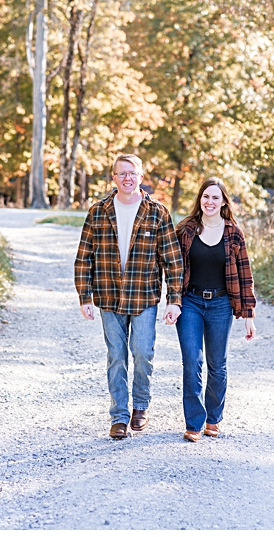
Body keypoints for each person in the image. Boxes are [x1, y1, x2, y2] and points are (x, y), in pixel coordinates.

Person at [73, 153, 185, 440]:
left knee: (143, 352)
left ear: (141, 176)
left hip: (144, 296)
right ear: (113, 177)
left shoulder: (157, 212)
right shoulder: (98, 211)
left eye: (132, 173)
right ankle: (119, 416)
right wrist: (84, 296)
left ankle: (141, 406)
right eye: (121, 173)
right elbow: (84, 257)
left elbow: (172, 260)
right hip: (108, 296)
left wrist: (174, 299)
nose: (127, 178)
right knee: (116, 356)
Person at [167, 177, 256, 442]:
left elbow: (245, 274)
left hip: (220, 304)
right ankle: (194, 422)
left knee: (217, 364)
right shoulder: (185, 229)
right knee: (192, 362)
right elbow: (173, 268)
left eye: (215, 197)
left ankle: (213, 418)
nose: (210, 202)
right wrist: (172, 301)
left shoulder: (233, 233)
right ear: (200, 200)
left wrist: (249, 315)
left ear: (224, 202)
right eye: (206, 196)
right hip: (191, 302)